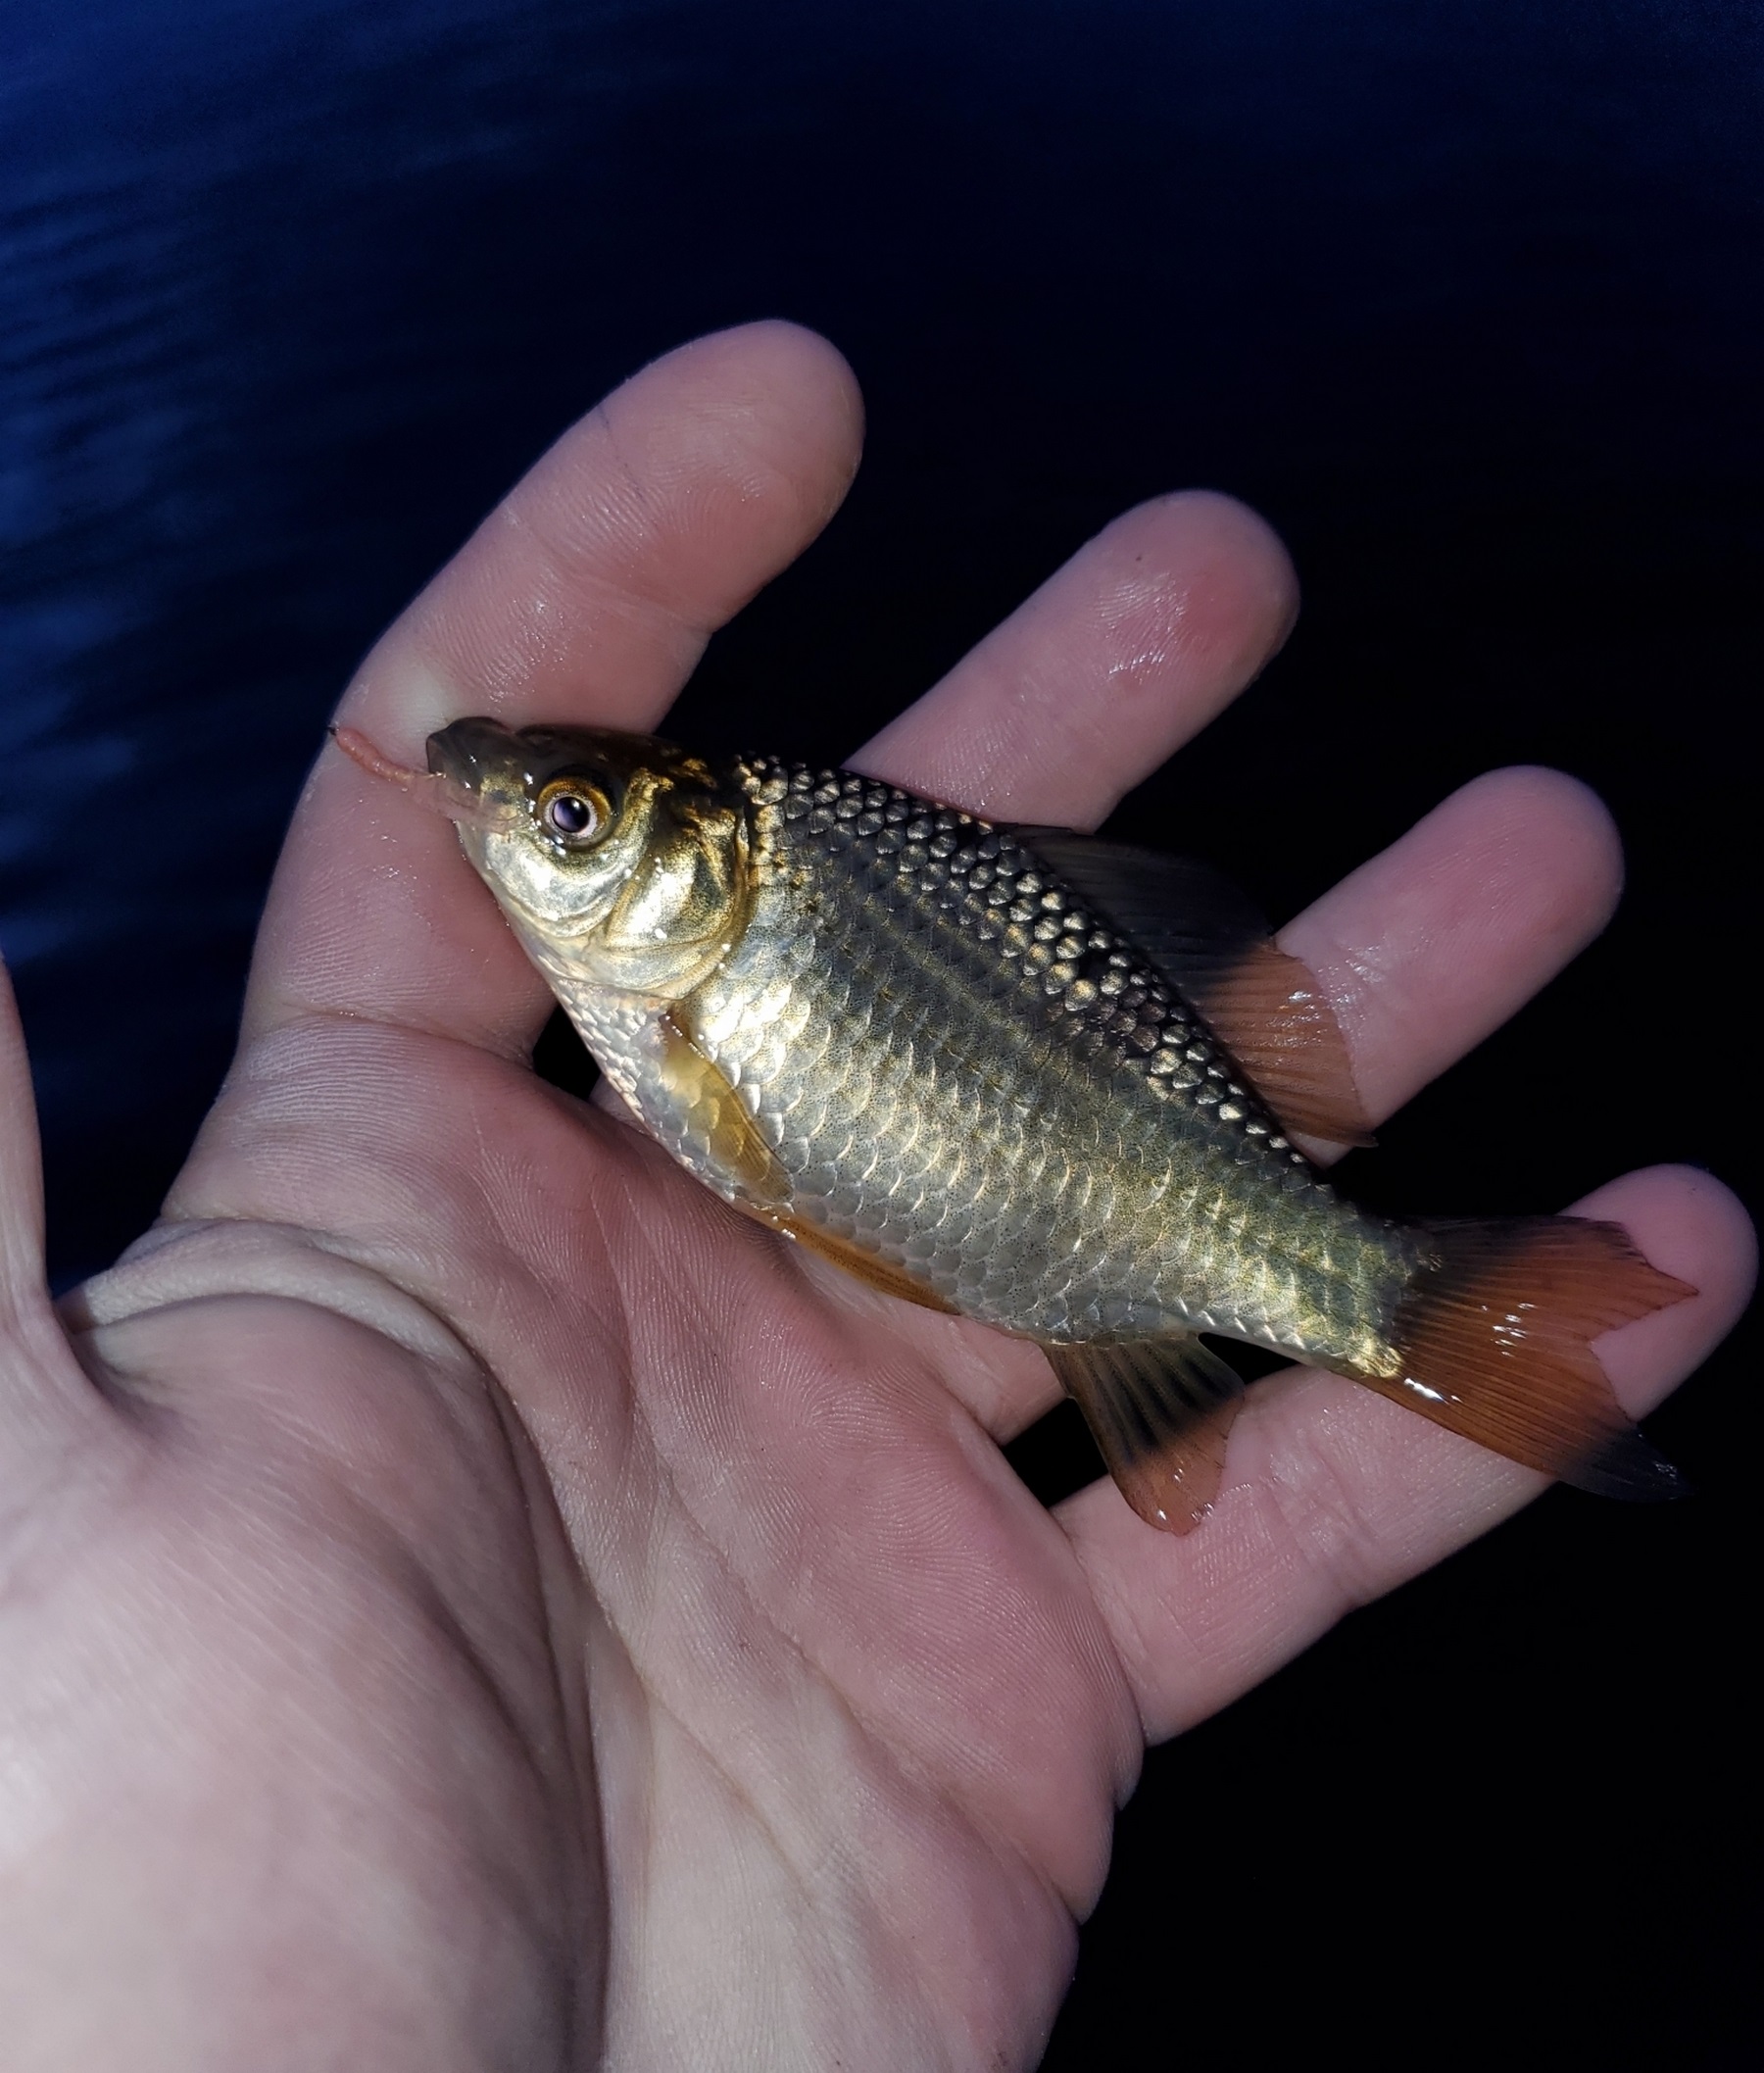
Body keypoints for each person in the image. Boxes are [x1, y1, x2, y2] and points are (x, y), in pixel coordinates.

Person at [0, 322, 1752, 2068]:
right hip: (1076, 1214)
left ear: (685, 859)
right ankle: (1400, 1308)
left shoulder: (733, 924)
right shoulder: (666, 970)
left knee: (1322, 1280)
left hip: (1126, 1174)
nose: (511, 826)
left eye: (569, 821)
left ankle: (1395, 1307)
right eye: (570, 816)